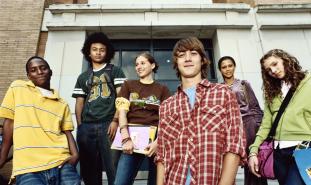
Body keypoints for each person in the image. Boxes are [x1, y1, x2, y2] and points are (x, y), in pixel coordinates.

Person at [156, 37, 246, 185]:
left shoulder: (223, 93)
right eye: (181, 55)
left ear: (203, 60)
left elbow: (235, 145)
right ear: (176, 63)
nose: (187, 58)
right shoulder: (166, 105)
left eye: (193, 53)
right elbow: (162, 155)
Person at [0, 56, 80, 185]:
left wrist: (75, 154)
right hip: (28, 168)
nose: (39, 72)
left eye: (43, 68)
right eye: (33, 70)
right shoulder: (18, 88)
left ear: (50, 71)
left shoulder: (62, 103)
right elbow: (9, 123)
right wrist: (2, 158)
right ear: (29, 75)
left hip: (61, 162)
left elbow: (67, 132)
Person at [248, 49, 311, 185]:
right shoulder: (272, 92)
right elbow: (266, 125)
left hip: (304, 148)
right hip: (279, 153)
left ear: (285, 59)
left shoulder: (308, 82)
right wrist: (253, 151)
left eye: (275, 64)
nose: (273, 70)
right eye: (269, 70)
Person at [72, 32, 126, 185]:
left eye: (102, 49)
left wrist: (116, 120)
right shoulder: (83, 77)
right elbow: (79, 102)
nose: (98, 52)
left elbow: (121, 98)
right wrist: (80, 125)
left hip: (109, 124)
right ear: (88, 52)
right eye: (94, 49)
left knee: (113, 168)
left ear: (107, 52)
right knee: (89, 170)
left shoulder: (114, 70)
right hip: (87, 126)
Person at [114, 52, 170, 185]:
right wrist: (125, 138)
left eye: (143, 63)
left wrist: (158, 142)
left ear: (152, 65)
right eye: (136, 64)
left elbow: (166, 118)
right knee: (121, 181)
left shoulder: (162, 89)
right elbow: (122, 112)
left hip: (156, 137)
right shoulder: (128, 85)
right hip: (131, 135)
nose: (138, 66)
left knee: (156, 181)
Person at [218, 56, 267, 185]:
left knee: (252, 161)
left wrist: (259, 128)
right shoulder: (218, 88)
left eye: (230, 65)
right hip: (230, 128)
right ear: (220, 70)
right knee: (229, 161)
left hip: (248, 124)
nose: (227, 69)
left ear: (234, 67)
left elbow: (255, 106)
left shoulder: (243, 84)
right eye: (224, 67)